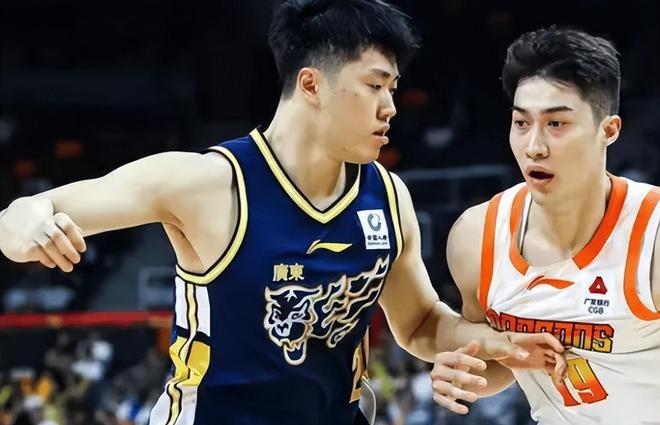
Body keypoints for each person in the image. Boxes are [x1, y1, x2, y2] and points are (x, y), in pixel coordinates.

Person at [0, 2, 565, 424]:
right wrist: (25, 222)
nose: (391, 107)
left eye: (393, 89)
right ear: (311, 84)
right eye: (375, 86)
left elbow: (419, 324)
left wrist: (488, 341)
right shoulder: (208, 183)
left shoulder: (388, 195)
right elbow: (30, 210)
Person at [434, 26, 660, 424]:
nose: (534, 147)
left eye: (556, 124)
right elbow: (499, 363)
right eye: (522, 123)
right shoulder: (475, 237)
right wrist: (466, 375)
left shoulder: (652, 237)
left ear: (608, 130)